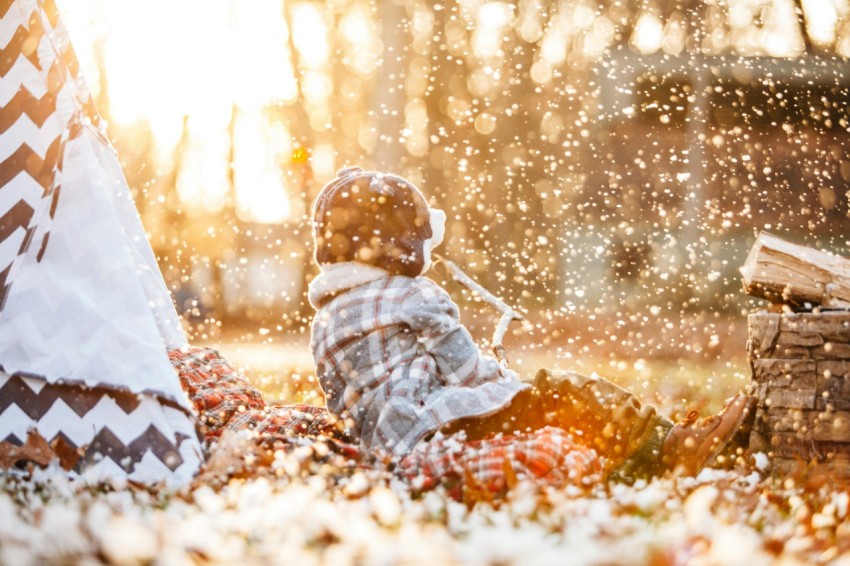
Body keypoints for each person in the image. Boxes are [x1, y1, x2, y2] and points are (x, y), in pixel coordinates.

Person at [309, 166, 755, 484]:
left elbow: (340, 400)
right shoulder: (414, 296)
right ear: (402, 246)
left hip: (387, 439)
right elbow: (466, 371)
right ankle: (669, 444)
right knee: (566, 392)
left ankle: (639, 464)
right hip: (440, 420)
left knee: (538, 417)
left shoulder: (324, 319)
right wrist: (508, 383)